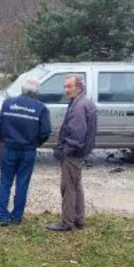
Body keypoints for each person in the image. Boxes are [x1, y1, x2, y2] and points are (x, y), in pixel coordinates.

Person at [0, 78, 51, 226]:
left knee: (5, 182)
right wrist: (35, 143)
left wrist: (5, 139)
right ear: (36, 92)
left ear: (22, 89)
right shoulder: (41, 108)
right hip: (28, 151)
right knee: (22, 183)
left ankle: (2, 216)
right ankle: (17, 217)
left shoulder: (8, 103)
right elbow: (45, 132)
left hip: (9, 148)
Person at [47, 74, 97, 232]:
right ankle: (78, 219)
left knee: (68, 188)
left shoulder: (79, 107)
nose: (66, 90)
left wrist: (64, 152)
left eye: (70, 86)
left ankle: (67, 223)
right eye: (65, 86)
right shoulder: (83, 102)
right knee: (76, 186)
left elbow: (77, 135)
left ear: (79, 87)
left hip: (73, 154)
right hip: (79, 153)